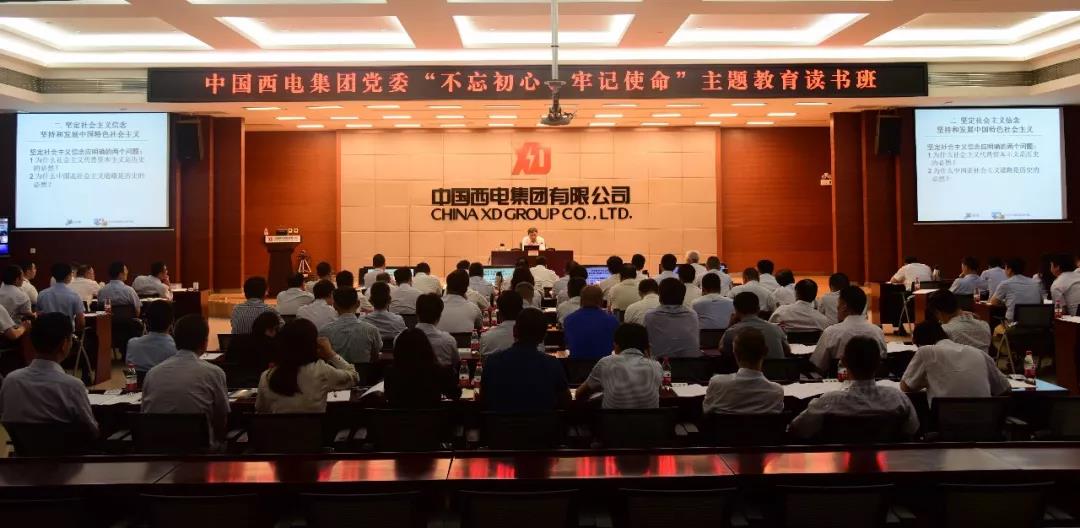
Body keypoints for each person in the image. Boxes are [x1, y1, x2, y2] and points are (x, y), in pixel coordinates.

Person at [790, 337, 919, 440]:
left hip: (838, 462)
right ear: (879, 363)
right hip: (889, 463)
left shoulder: (828, 402)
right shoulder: (898, 398)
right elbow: (912, 429)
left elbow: (798, 430)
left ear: (843, 362)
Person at [0, 312, 98, 437]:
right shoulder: (73, 386)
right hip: (69, 449)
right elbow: (92, 430)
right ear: (65, 344)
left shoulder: (10, 381)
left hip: (24, 448)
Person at [141, 314, 229, 447]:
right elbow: (221, 418)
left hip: (157, 451)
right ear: (205, 342)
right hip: (200, 453)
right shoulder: (214, 373)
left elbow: (145, 415)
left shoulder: (152, 373)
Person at [256, 319, 359, 414]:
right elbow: (354, 376)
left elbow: (260, 410)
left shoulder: (267, 376)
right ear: (313, 344)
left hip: (278, 428)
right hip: (314, 428)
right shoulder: (321, 371)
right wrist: (331, 354)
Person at [481, 308, 570, 413]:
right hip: (543, 423)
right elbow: (566, 402)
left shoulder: (492, 362)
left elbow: (483, 400)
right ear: (544, 336)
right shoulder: (553, 365)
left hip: (500, 423)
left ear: (514, 331)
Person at [902, 321, 1009, 404]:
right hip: (985, 423)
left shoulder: (925, 351)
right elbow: (1004, 388)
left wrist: (928, 380)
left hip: (944, 422)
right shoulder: (979, 353)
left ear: (919, 343)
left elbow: (906, 387)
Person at [576, 323, 663, 409]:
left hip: (612, 418)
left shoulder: (606, 363)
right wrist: (649, 358)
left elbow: (579, 394)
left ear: (616, 345)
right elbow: (658, 394)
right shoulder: (656, 366)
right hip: (648, 419)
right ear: (646, 347)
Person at [703, 328, 784, 414]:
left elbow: (706, 411)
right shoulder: (777, 392)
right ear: (766, 352)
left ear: (734, 352)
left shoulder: (717, 383)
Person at [810, 286, 886, 374]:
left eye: (838, 305)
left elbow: (819, 366)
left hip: (838, 380)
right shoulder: (878, 332)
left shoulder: (831, 333)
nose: (837, 308)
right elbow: (882, 361)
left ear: (844, 307)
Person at [383, 328, 461, 408]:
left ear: (398, 349)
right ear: (427, 347)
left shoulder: (390, 372)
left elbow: (388, 396)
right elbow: (455, 394)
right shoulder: (438, 371)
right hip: (432, 415)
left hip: (399, 415)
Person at [319, 287, 382, 365]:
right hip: (363, 372)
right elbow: (375, 354)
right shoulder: (371, 330)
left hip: (336, 372)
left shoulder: (324, 331)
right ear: (358, 304)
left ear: (334, 305)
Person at [722, 292, 789, 359]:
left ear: (736, 311)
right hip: (776, 366)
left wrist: (730, 325)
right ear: (758, 309)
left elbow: (722, 349)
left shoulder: (732, 331)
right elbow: (787, 351)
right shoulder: (776, 329)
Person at [644, 278, 701, 359]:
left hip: (660, 365)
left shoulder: (650, 316)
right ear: (683, 297)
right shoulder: (693, 315)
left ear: (660, 297)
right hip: (691, 364)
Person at [224, 311, 282, 386]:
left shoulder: (236, 340)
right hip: (261, 383)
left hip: (234, 384)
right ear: (271, 329)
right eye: (275, 329)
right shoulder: (271, 344)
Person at [564, 285, 619, 359]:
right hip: (604, 364)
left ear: (581, 301)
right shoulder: (612, 321)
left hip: (577, 365)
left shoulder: (569, 320)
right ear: (601, 301)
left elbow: (568, 344)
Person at [125, 301, 177, 376]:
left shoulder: (132, 344)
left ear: (146, 321)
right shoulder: (175, 349)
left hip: (138, 383)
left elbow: (130, 376)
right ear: (172, 322)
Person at [989, 257, 1043, 322]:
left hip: (1013, 324)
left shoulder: (1005, 283)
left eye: (1005, 268)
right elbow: (1040, 302)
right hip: (1034, 323)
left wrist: (1006, 302)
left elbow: (993, 302)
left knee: (994, 326)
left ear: (1009, 270)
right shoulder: (1035, 283)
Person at [37, 262, 85, 331]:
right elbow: (81, 322)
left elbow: (38, 315)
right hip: (66, 334)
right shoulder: (74, 295)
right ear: (69, 275)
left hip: (46, 333)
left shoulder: (42, 294)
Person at [415, 293, 459, 367]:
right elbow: (456, 362)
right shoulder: (448, 340)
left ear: (416, 313)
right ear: (439, 316)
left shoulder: (401, 338)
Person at [437, 270, 483, 334]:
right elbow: (479, 328)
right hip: (466, 340)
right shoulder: (474, 309)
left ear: (447, 286)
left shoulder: (435, 306)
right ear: (466, 288)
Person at [481, 290, 524, 355]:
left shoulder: (486, 337)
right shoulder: (532, 338)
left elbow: (482, 359)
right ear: (521, 309)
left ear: (500, 313)